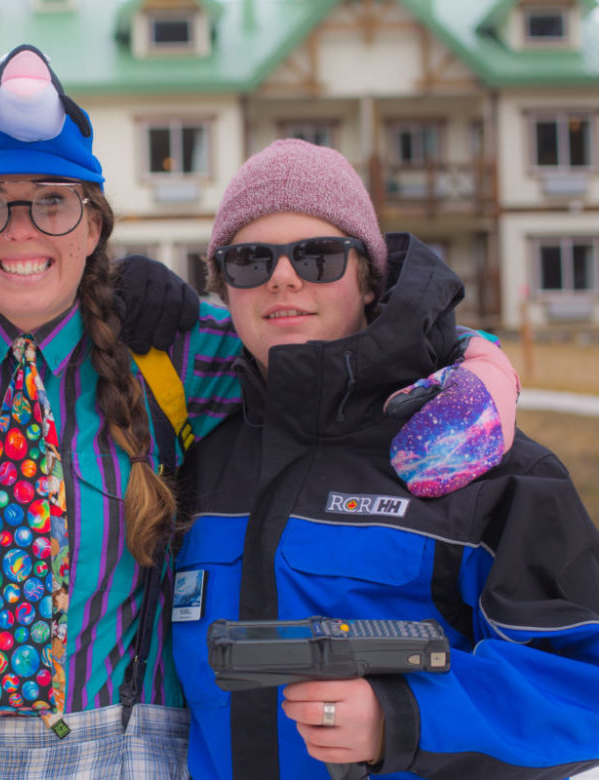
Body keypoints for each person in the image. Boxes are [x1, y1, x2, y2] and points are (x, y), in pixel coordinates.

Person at [0, 46, 516, 778]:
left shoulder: (177, 354)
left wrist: (482, 362)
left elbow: (344, 339)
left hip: (117, 749)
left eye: (52, 201)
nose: (21, 231)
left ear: (92, 228)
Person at [171, 139, 599, 779]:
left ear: (369, 280)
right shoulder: (192, 467)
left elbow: (581, 681)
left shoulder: (479, 463)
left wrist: (404, 715)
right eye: (250, 260)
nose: (283, 277)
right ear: (224, 289)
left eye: (318, 256)